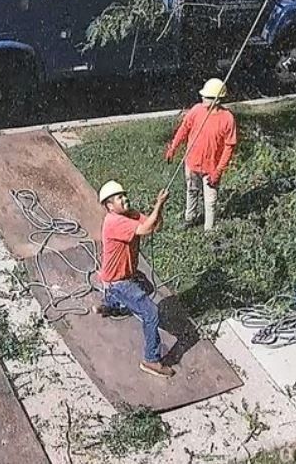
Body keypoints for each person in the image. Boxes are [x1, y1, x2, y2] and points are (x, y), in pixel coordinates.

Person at [92, 180, 173, 378]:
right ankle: (151, 360)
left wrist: (158, 210)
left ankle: (110, 305)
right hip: (119, 280)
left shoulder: (131, 215)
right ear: (109, 206)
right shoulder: (114, 222)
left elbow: (154, 227)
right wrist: (158, 204)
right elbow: (144, 230)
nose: (124, 199)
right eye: (119, 198)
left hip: (120, 276)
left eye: (124, 195)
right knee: (151, 313)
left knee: (146, 286)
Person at [164, 77, 237, 230]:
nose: (203, 98)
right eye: (203, 95)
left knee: (210, 200)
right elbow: (184, 129)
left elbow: (229, 147)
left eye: (207, 97)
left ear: (217, 100)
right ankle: (189, 219)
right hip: (192, 162)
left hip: (211, 168)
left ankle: (209, 230)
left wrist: (218, 171)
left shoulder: (227, 119)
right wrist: (173, 148)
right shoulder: (197, 110)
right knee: (191, 190)